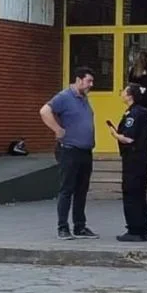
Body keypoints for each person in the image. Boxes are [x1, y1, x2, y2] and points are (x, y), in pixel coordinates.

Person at [40, 67, 99, 240]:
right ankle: (63, 227)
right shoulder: (64, 97)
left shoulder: (83, 98)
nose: (91, 85)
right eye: (88, 81)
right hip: (69, 150)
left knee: (82, 190)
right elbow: (44, 111)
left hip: (85, 151)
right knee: (67, 189)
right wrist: (57, 129)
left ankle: (80, 226)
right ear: (79, 80)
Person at [106, 83, 147, 242]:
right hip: (144, 156)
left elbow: (129, 138)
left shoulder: (133, 113)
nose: (121, 93)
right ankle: (143, 229)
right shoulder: (145, 111)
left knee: (131, 193)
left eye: (124, 91)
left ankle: (134, 229)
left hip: (133, 158)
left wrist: (115, 134)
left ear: (130, 95)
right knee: (140, 193)